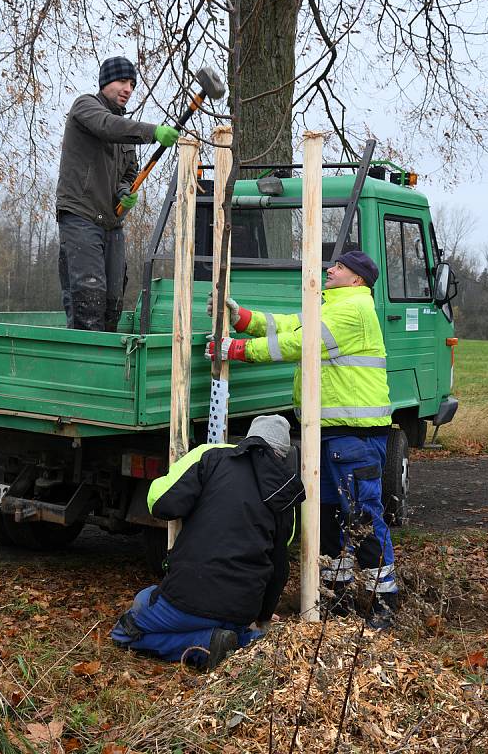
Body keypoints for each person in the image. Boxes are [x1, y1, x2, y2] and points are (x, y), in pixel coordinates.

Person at [206, 250, 398, 630]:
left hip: (355, 435)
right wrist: (245, 319)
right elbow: (287, 325)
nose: (330, 269)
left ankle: (383, 603)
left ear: (357, 279)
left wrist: (237, 350)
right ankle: (336, 597)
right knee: (326, 517)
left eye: (339, 267)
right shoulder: (329, 305)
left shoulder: (353, 310)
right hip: (328, 432)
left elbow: (299, 343)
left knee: (360, 515)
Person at [111, 415, 305, 669]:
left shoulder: (212, 459)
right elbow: (279, 567)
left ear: (247, 440)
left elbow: (162, 505)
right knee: (229, 626)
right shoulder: (285, 494)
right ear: (283, 453)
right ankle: (246, 641)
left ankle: (208, 643)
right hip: (241, 610)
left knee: (126, 630)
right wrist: (262, 615)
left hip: (186, 598)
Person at [56, 56, 179, 332]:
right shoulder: (86, 107)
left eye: (132, 84)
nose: (128, 89)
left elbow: (129, 173)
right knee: (89, 299)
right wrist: (153, 132)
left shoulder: (125, 134)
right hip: (80, 216)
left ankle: (105, 366)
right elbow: (107, 127)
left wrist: (126, 190)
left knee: (112, 302)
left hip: (111, 223)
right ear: (105, 82)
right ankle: (83, 366)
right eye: (123, 81)